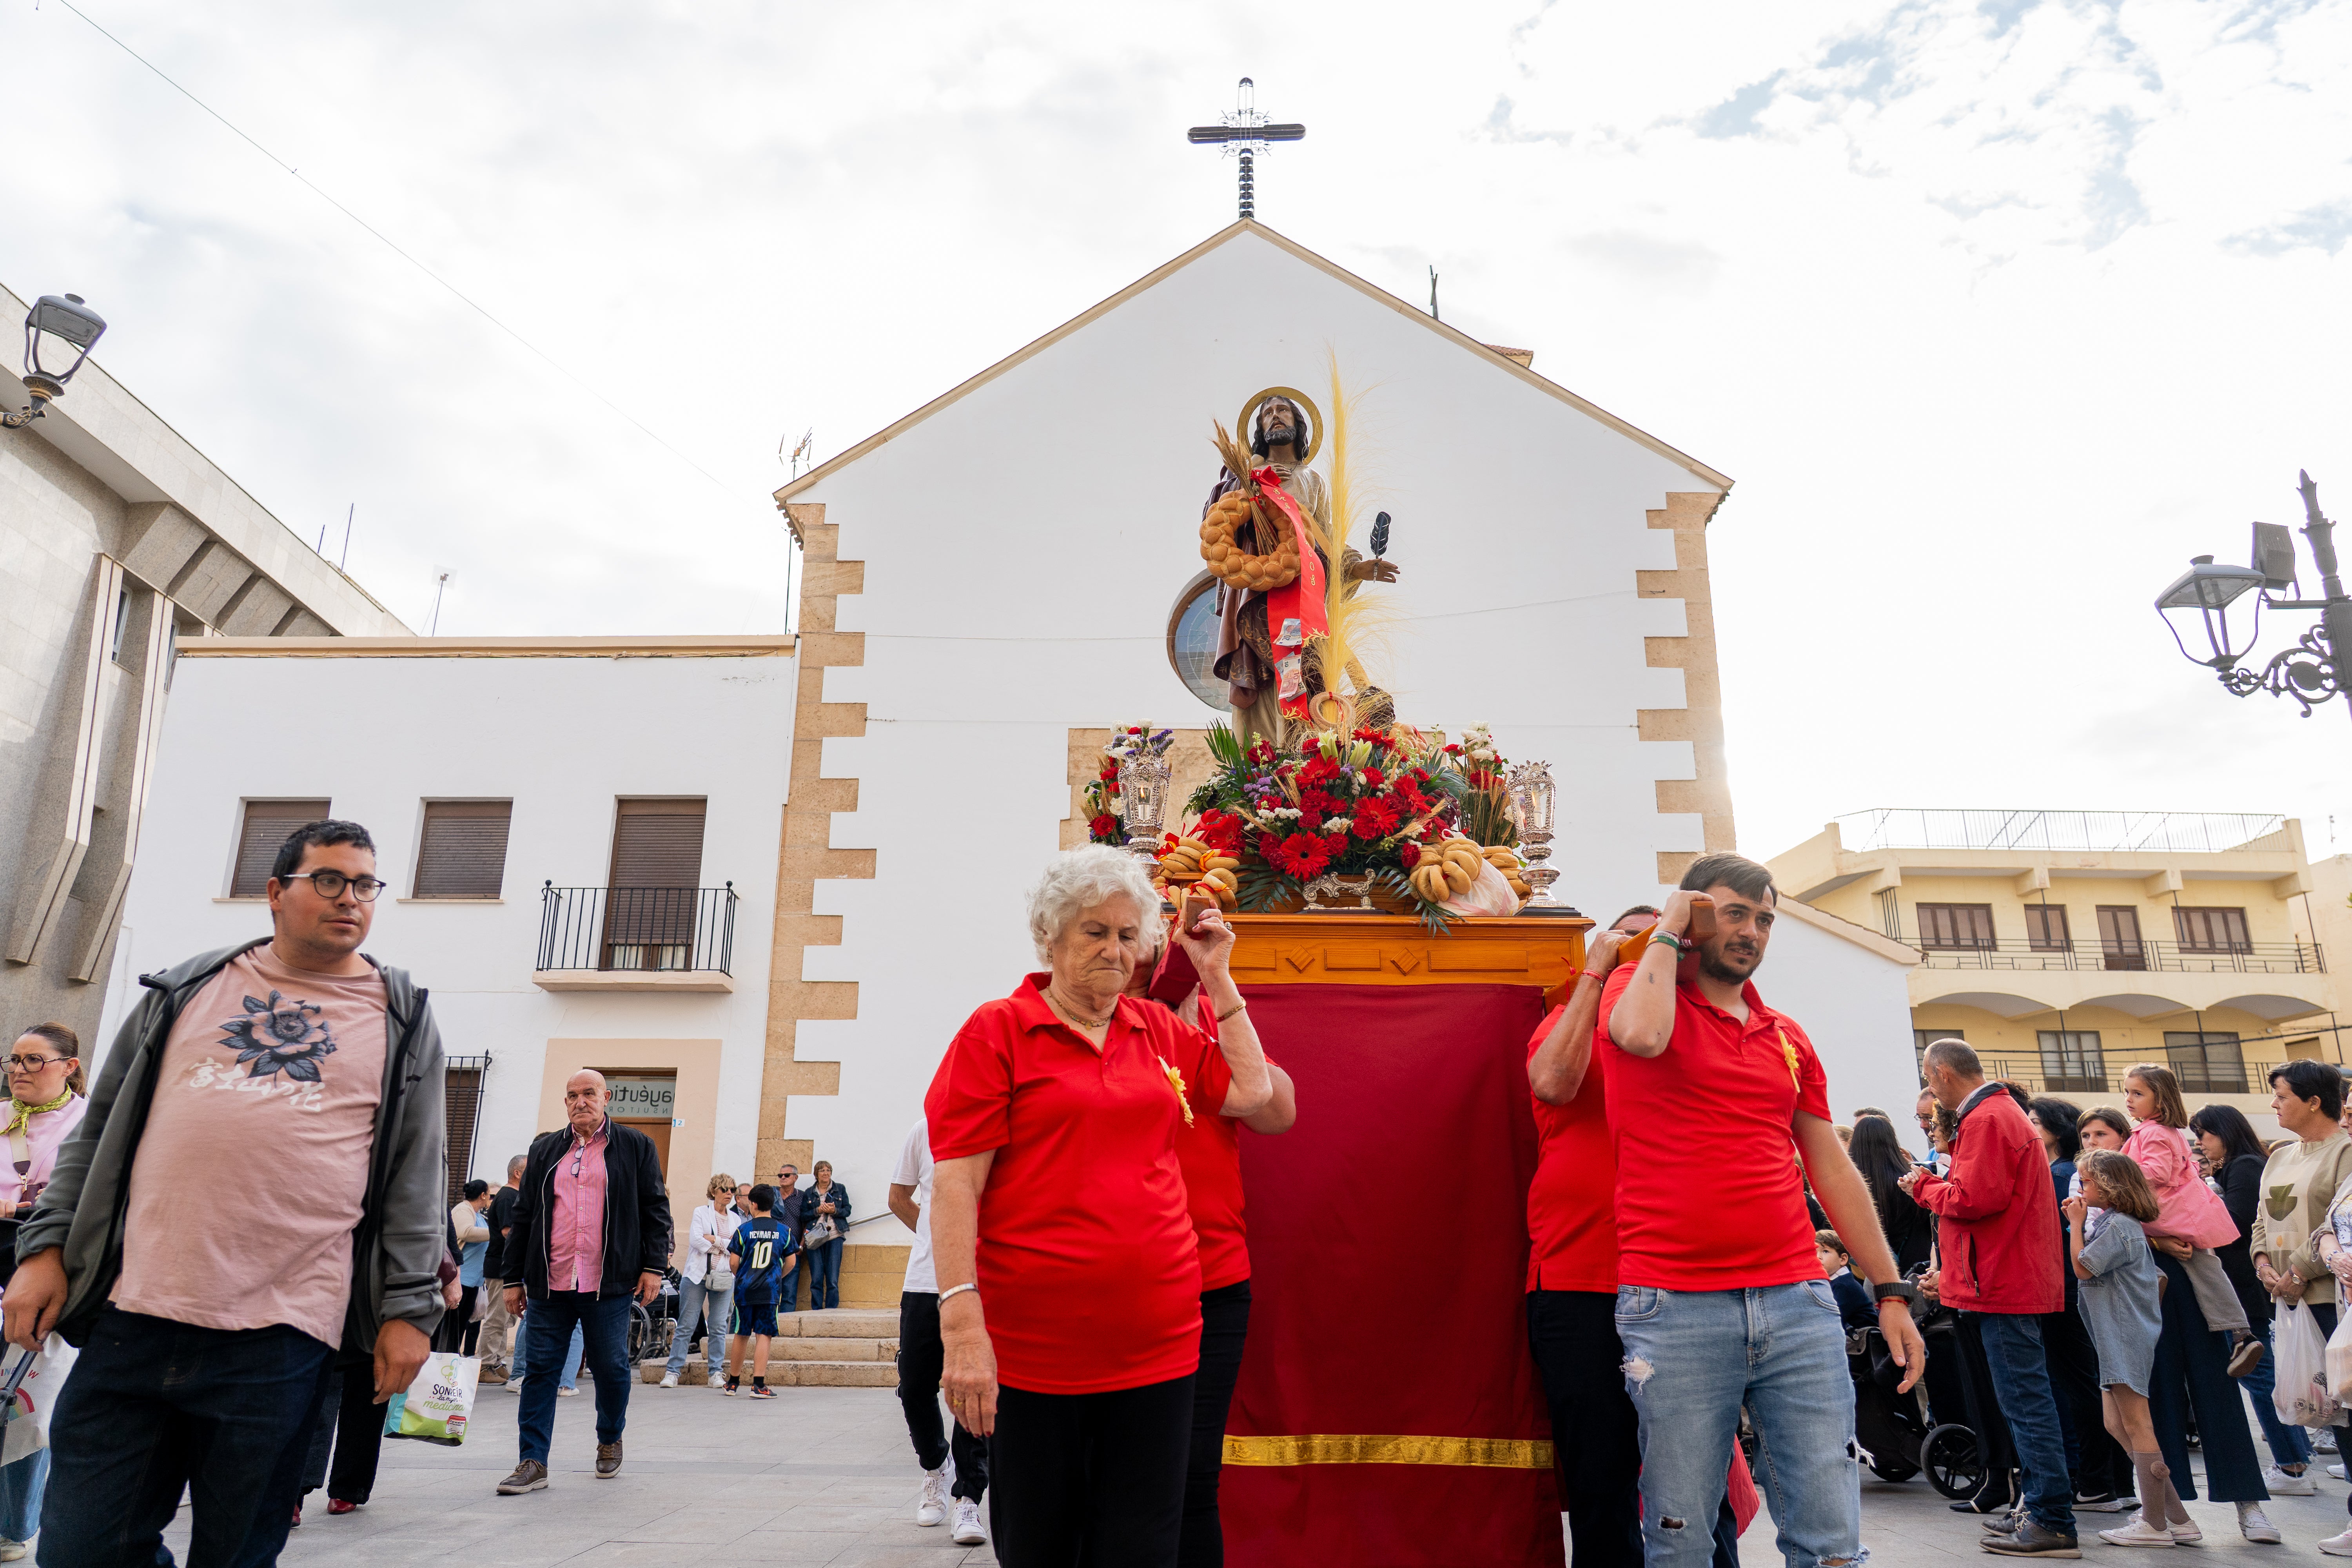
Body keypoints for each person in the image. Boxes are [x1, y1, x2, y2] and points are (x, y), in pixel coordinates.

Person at [4, 818, 446, 1565]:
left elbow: (417, 1173)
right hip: (135, 1315)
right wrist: (44, 1250)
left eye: (365, 885)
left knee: (237, 1556)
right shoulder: (186, 989)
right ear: (276, 892)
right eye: (329, 880)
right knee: (80, 1550)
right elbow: (98, 1134)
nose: (351, 899)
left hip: (282, 1339)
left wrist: (410, 1309)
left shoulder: (400, 1016)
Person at [930, 847, 1271, 1567]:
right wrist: (961, 1327)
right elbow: (958, 1186)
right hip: (1036, 1353)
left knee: (1144, 1546)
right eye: (1094, 932)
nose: (1114, 951)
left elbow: (1253, 1092)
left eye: (1126, 935)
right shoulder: (997, 1031)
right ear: (1050, 937)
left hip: (1161, 1344)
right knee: (1042, 1544)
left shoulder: (1156, 1029)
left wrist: (1217, 975)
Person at [1602, 853, 1923, 1568]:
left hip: (1797, 1303)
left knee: (1832, 1541)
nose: (1752, 931)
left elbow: (1831, 1168)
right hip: (1674, 1305)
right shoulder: (1639, 989)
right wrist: (1668, 928)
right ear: (1693, 912)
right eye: (1734, 913)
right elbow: (1640, 1038)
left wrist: (1891, 1289)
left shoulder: (1787, 1035)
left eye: (1765, 919)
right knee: (1680, 1540)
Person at [1132, 909, 1300, 1568]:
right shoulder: (1099, 1028)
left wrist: (1217, 984)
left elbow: (1278, 1112)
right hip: (1123, 1282)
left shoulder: (1211, 1028)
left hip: (1213, 1281)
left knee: (1193, 1476)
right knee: (1123, 1474)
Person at [1901, 1040, 2074, 1554]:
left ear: (1942, 1074)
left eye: (1930, 1081)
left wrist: (1923, 1187)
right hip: (2001, 1277)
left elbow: (1974, 1199)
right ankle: (2039, 1509)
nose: (1932, 1093)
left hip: (2002, 1280)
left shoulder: (1988, 1118)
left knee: (2026, 1402)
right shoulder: (1996, 1113)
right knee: (2023, 1401)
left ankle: (2051, 1517)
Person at [495, 1069, 671, 1494]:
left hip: (607, 1283)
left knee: (611, 1368)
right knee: (540, 1371)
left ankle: (610, 1437)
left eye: (589, 1093)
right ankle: (533, 1460)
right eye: (573, 1095)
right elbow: (523, 1217)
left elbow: (655, 1209)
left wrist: (653, 1266)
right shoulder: (545, 1150)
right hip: (550, 1282)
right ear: (566, 1103)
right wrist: (512, 1278)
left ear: (606, 1097)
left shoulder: (635, 1146)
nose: (581, 1102)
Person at [2059, 1151, 2186, 1547]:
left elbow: (2083, 1267)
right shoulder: (2116, 1224)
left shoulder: (2119, 1226)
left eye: (2086, 1182)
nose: (2081, 1189)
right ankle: (2178, 1519)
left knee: (2137, 1425)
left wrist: (2075, 1225)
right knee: (2116, 1423)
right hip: (2113, 1336)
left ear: (2110, 1185)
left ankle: (2155, 1524)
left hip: (2122, 1335)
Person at [2254, 1060, 2352, 1555]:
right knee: (2332, 1414)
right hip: (2290, 1302)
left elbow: (2340, 1224)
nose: (2274, 1104)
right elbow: (2261, 1220)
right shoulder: (2280, 1155)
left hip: (2332, 1299)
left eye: (2282, 1095)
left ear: (2314, 1101)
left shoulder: (2346, 1151)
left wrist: (2296, 1272)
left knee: (2350, 1409)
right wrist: (2263, 1264)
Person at [0, 1024, 88, 1560]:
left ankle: (13, 1526)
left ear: (68, 1066)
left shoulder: (90, 1124)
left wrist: (20, 1208)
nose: (19, 1070)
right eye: (13, 1059)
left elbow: (86, 1198)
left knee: (24, 1400)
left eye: (34, 1060)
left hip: (44, 1269)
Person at [2193, 1102, 2312, 1495]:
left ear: (2225, 1132)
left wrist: (2200, 1196)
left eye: (2204, 1135)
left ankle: (2292, 1466)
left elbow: (2234, 1223)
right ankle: (2297, 1460)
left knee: (2257, 1372)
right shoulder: (2238, 1166)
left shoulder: (2244, 1166)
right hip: (2245, 1285)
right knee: (2262, 1371)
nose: (2201, 1143)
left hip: (2243, 1287)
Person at [2118, 1064, 2259, 1369]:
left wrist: (2117, 1169)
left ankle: (2240, 1332)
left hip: (2169, 1211)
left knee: (2202, 1267)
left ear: (2161, 1099)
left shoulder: (2153, 1132)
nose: (2129, 1099)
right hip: (2176, 1209)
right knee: (2205, 1268)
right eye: (2127, 1092)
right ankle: (2239, 1333)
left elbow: (2157, 1172)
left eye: (2138, 1093)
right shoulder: (2160, 1131)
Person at [891, 1116, 989, 1545]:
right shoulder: (925, 1129)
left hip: (984, 1280)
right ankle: (936, 1466)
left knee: (973, 1388)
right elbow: (898, 1197)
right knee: (914, 1385)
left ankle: (969, 1497)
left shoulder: (1002, 1125)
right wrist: (939, 1237)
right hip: (924, 1280)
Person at [666, 1173, 740, 1389]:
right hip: (697, 1276)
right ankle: (673, 1372)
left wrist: (715, 1240)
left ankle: (715, 1372)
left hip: (724, 1277)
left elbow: (737, 1247)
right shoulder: (701, 1212)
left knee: (718, 1326)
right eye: (725, 1189)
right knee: (686, 1325)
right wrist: (724, 1246)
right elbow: (697, 1241)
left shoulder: (736, 1219)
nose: (729, 1194)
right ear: (714, 1192)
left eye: (732, 1190)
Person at [722, 1184, 793, 1398]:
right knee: (764, 1334)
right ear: (773, 1204)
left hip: (745, 1289)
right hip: (769, 1290)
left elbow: (733, 1262)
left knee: (741, 1333)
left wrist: (743, 1276)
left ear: (753, 1204)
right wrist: (777, 1277)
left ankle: (733, 1383)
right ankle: (759, 1385)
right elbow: (791, 1261)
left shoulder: (744, 1230)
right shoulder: (784, 1231)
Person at [1846, 1115, 1933, 1274]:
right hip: (1916, 1262)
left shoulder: (1850, 1183)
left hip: (1871, 1267)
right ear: (1891, 1140)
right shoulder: (1909, 1178)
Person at [477, 1154, 526, 1385]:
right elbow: (509, 1232)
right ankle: (485, 1365)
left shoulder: (515, 1196)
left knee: (506, 1319)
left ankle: (497, 1362)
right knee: (497, 1318)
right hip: (500, 1266)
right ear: (517, 1173)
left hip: (507, 1267)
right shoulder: (508, 1196)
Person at [799, 1160, 850, 1311]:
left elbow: (847, 1210)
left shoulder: (840, 1189)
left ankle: (831, 1310)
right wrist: (818, 1210)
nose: (826, 1173)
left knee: (833, 1278)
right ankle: (816, 1310)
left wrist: (835, 1211)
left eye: (828, 1170)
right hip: (815, 1237)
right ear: (817, 1174)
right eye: (822, 1171)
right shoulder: (809, 1192)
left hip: (834, 1236)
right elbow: (803, 1216)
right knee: (816, 1277)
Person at [450, 1179, 492, 1356]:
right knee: (454, 1323)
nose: (490, 1198)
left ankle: (454, 1357)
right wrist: (496, 1233)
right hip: (461, 1279)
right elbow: (465, 1232)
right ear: (483, 1195)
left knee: (463, 1322)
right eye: (489, 1194)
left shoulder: (478, 1215)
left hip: (473, 1282)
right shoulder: (463, 1209)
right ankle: (447, 1356)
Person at [1815, 1232, 1877, 1328]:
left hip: (1864, 1336)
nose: (1818, 1257)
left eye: (1825, 1251)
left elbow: (1830, 1319)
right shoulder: (1829, 1281)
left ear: (1843, 1259)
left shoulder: (1844, 1285)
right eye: (1814, 1252)